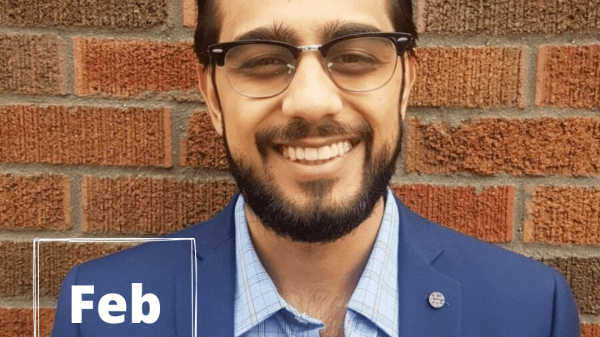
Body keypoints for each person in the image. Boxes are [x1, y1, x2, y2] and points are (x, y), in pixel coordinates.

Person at [51, 0, 581, 336]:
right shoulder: (100, 313)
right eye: (261, 59)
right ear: (212, 97)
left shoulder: (531, 310)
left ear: (405, 85)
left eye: (353, 55)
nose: (310, 102)